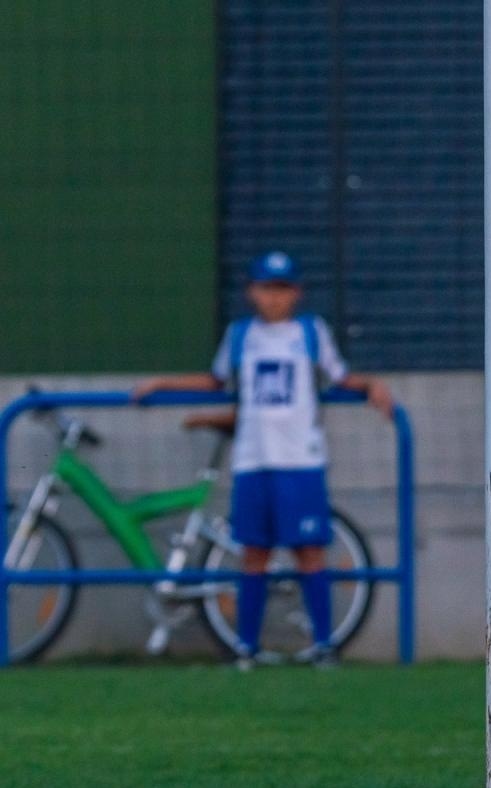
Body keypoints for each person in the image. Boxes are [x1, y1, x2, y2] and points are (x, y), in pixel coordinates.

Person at [133, 250, 393, 667]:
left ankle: (324, 645)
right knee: (253, 552)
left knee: (309, 550)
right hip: (253, 461)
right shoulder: (240, 336)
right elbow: (216, 380)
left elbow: (341, 376)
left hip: (301, 461)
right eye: (267, 288)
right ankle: (246, 648)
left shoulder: (311, 332)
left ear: (296, 293)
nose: (275, 298)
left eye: (283, 289)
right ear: (253, 292)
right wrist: (161, 382)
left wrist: (372, 385)